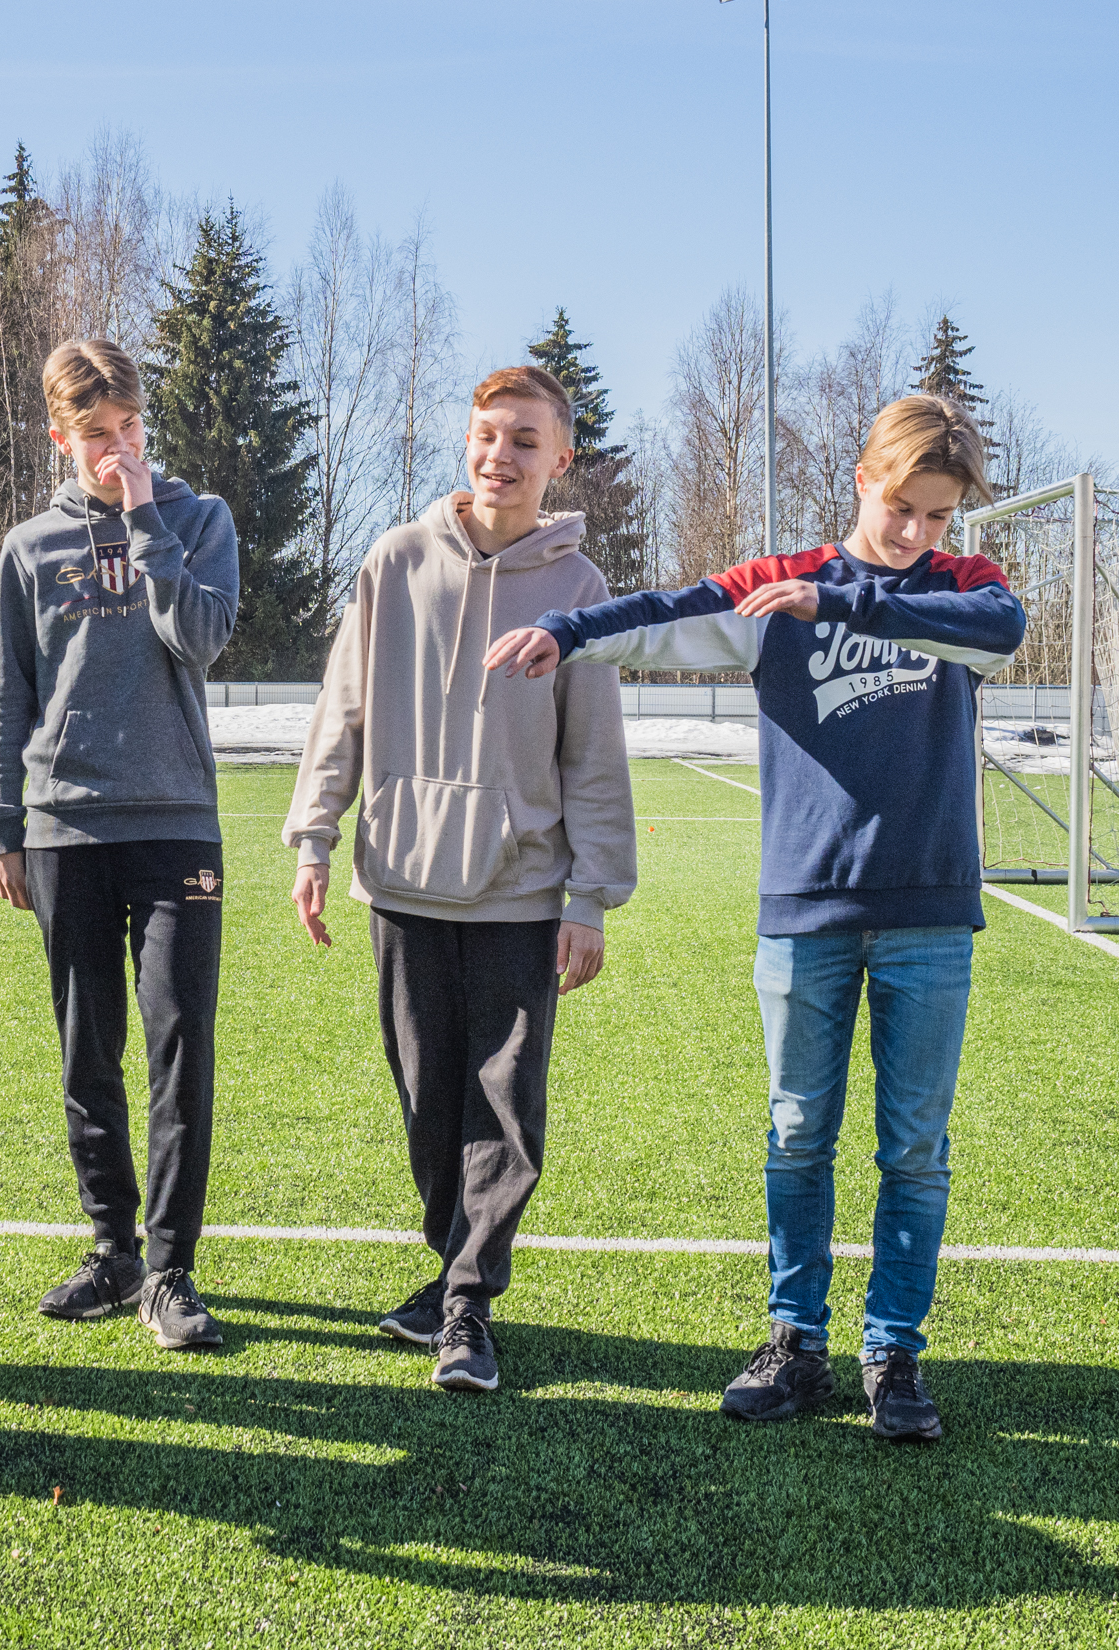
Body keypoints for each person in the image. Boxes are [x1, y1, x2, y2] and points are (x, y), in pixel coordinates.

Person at [485, 394, 1024, 1441]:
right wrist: (564, 630)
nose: (917, 532)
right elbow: (667, 608)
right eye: (903, 506)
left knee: (913, 1149)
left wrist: (850, 609)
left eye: (938, 516)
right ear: (864, 478)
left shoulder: (966, 588)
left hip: (926, 913)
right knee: (794, 1137)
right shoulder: (783, 586)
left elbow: (996, 634)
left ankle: (895, 1354)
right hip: (803, 912)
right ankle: (794, 1340)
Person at [284, 365, 637, 1394]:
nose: (501, 454)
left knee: (505, 1105)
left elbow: (596, 755)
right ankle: (449, 1273)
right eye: (488, 434)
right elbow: (341, 709)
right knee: (428, 1103)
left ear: (558, 460)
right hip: (401, 880)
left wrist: (589, 898)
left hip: (520, 893)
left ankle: (469, 1304)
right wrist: (314, 838)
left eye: (525, 440)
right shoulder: (394, 561)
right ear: (465, 442)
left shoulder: (578, 591)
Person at [0, 338, 239, 1350]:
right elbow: (11, 695)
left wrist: (143, 520)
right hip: (65, 829)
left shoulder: (195, 519)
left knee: (180, 1049)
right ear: (60, 435)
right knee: (88, 1053)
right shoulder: (26, 546)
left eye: (129, 428)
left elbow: (201, 638)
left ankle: (171, 1272)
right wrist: (5, 822)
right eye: (96, 435)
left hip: (176, 823)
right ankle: (112, 1249)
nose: (117, 448)